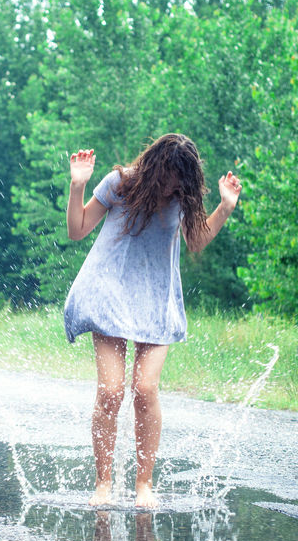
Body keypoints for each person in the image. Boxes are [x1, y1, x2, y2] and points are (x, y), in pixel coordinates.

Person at [63, 134, 242, 508]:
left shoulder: (183, 199)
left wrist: (224, 207)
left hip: (156, 300)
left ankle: (143, 484)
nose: (170, 187)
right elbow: (77, 230)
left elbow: (195, 241)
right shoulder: (121, 183)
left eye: (179, 181)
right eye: (166, 177)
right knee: (111, 391)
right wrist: (77, 185)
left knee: (144, 390)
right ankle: (103, 483)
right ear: (153, 166)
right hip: (109, 293)